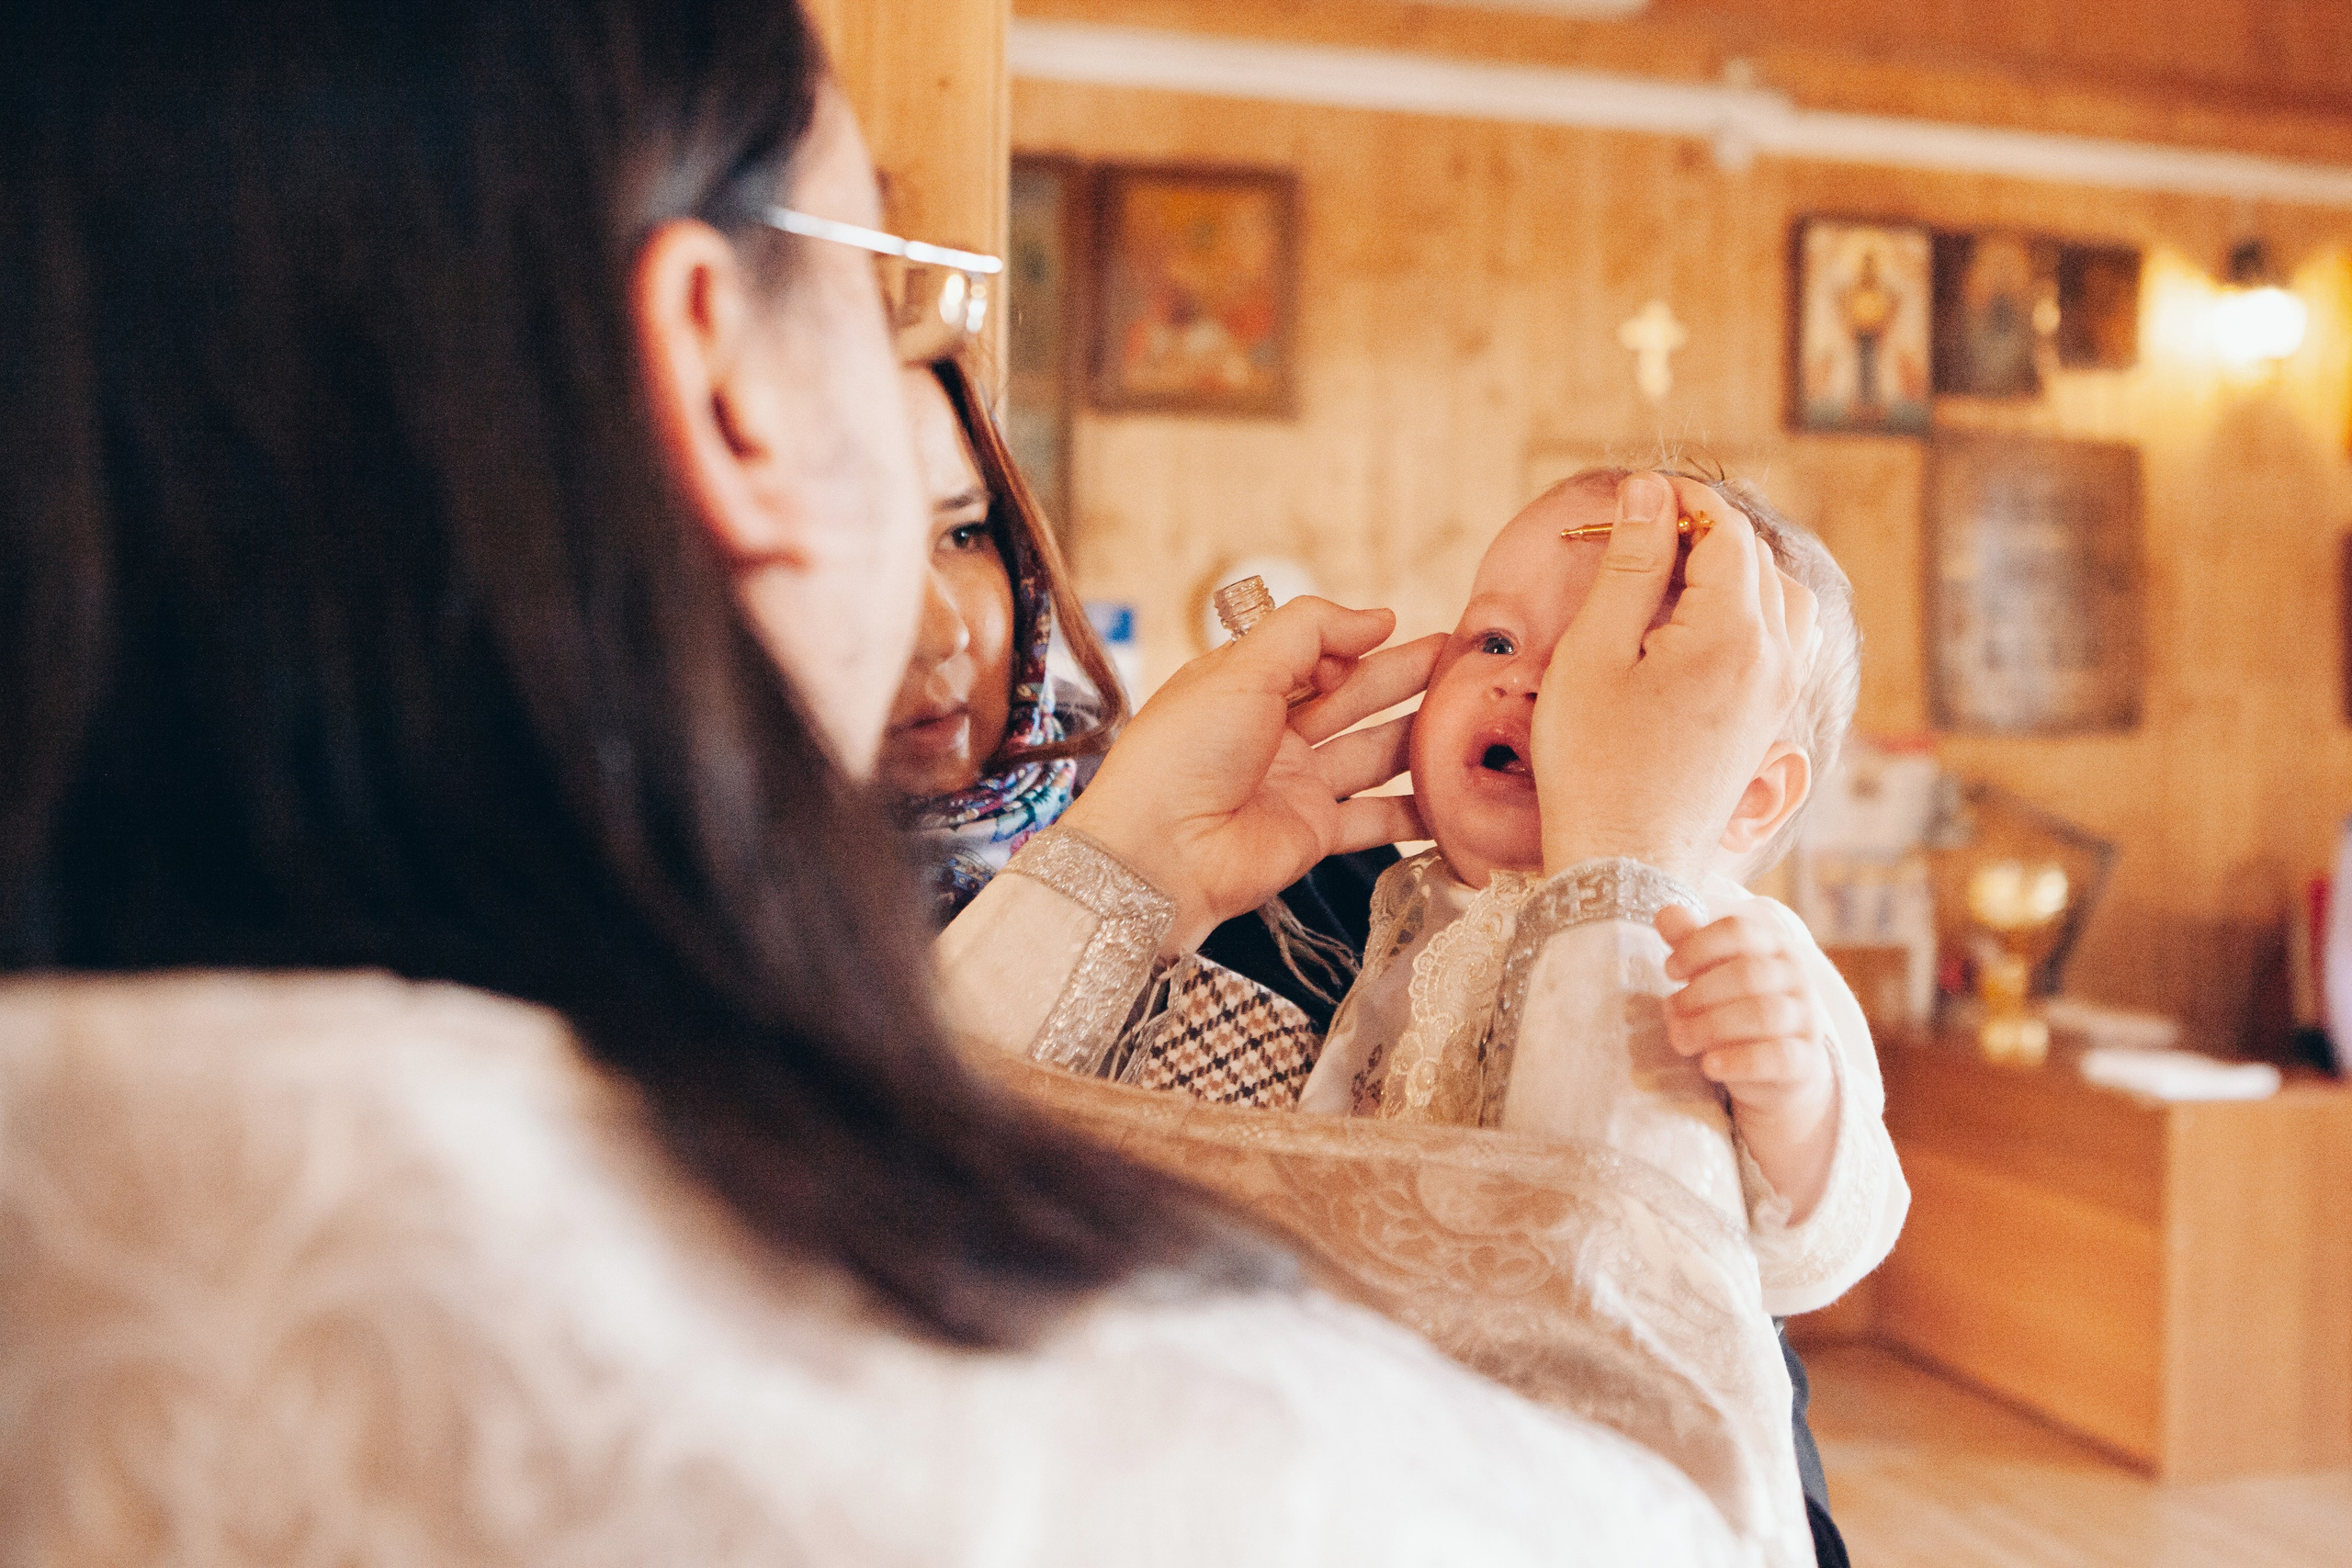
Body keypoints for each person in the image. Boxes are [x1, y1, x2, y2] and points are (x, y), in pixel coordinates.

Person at [0, 1, 1811, 1562]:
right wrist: (1621, 880)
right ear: (722, 381)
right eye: (886, 292)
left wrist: (1118, 861)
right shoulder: (1116, 1441)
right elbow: (1661, 1515)